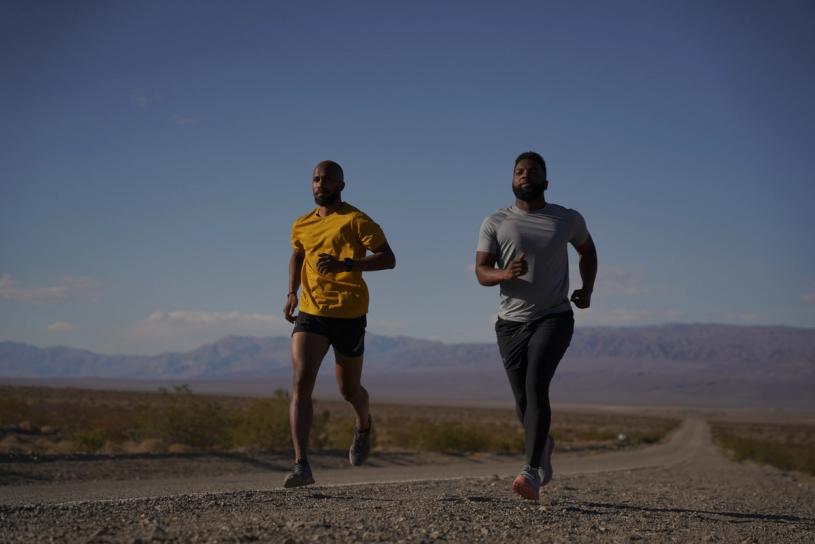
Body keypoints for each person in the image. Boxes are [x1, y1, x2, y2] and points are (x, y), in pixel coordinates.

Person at [475, 151, 597, 501]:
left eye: (532, 172)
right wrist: (504, 273)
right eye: (518, 172)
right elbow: (482, 271)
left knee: (535, 384)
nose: (524, 176)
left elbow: (587, 251)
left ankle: (530, 471)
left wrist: (587, 289)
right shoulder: (495, 222)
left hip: (554, 316)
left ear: (546, 181)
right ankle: (543, 444)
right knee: (522, 400)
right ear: (512, 180)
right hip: (510, 323)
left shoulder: (566, 219)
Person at [282, 160, 396, 488]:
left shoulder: (357, 220)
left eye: (327, 180)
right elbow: (297, 254)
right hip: (311, 312)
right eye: (316, 180)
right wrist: (292, 291)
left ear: (341, 185)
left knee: (349, 390)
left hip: (349, 314)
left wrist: (346, 263)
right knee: (301, 381)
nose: (320, 185)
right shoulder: (301, 224)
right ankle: (302, 464)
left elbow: (388, 258)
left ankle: (363, 424)